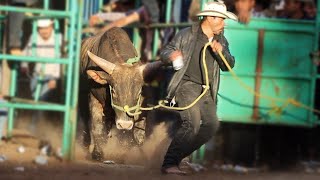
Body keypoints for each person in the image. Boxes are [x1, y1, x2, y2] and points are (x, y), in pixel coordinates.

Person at [159, 1, 237, 175]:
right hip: (186, 85)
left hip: (205, 89)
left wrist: (221, 52)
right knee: (191, 123)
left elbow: (228, 65)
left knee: (211, 125)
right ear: (210, 18)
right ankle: (169, 163)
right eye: (221, 19)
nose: (224, 24)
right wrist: (172, 55)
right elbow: (165, 52)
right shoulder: (186, 34)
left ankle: (176, 158)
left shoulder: (221, 40)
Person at [21, 19, 62, 102]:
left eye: (46, 28)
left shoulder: (58, 37)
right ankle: (37, 114)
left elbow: (59, 59)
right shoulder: (34, 36)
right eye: (41, 28)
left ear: (51, 27)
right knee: (34, 95)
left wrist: (54, 78)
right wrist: (24, 65)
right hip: (37, 73)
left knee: (42, 98)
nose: (44, 31)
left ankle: (38, 115)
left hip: (51, 74)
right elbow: (26, 51)